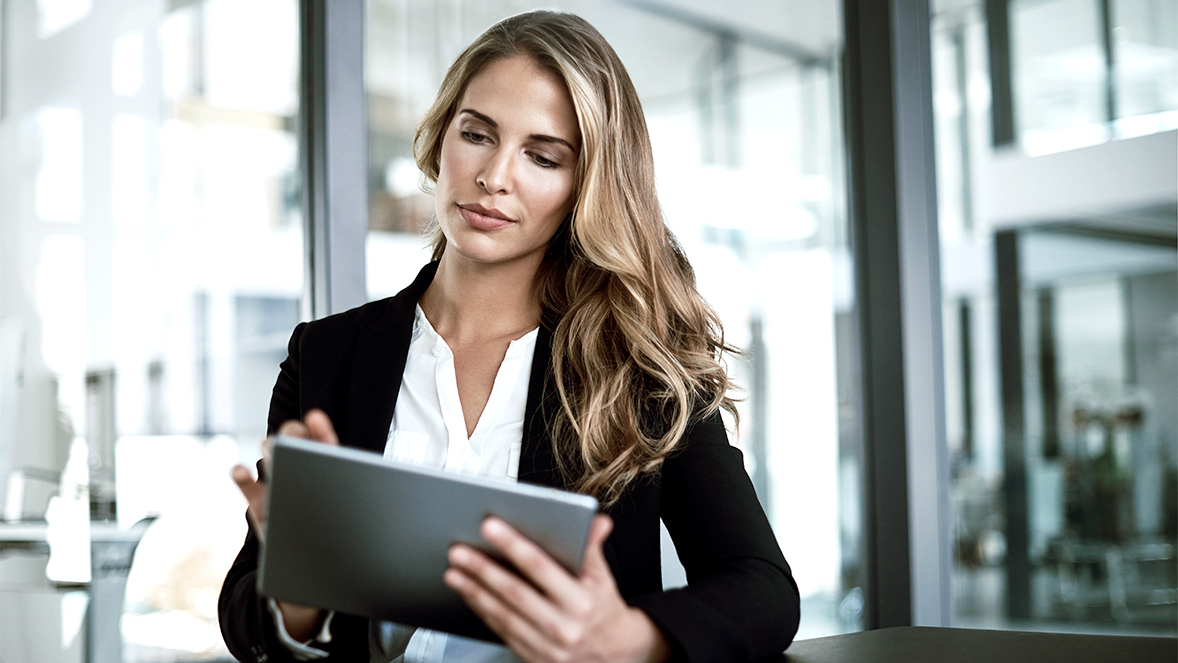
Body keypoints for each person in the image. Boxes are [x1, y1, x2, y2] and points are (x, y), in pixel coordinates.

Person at [219, 10, 800, 663]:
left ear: (585, 186)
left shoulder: (641, 366)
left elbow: (763, 589)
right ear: (441, 139)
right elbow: (249, 620)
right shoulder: (326, 355)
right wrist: (297, 586)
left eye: (543, 156)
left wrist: (624, 639)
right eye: (477, 134)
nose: (495, 176)